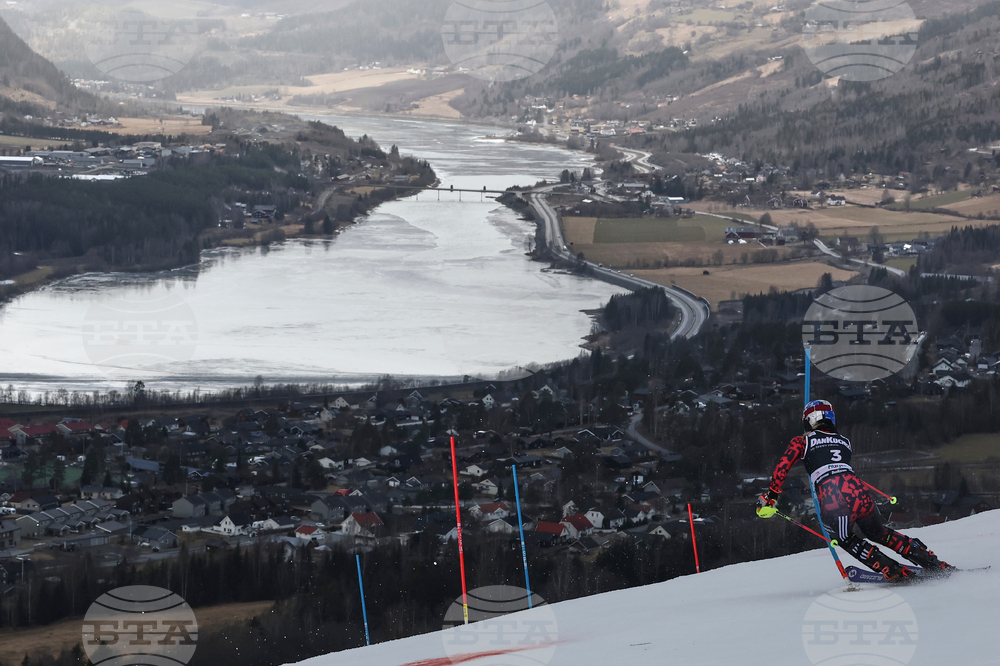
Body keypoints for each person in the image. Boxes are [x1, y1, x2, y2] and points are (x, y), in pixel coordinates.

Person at [756, 399, 954, 581]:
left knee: (844, 538)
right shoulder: (844, 441)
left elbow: (782, 467)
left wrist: (771, 496)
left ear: (808, 420)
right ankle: (931, 562)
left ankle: (891, 569)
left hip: (833, 495)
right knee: (879, 533)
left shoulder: (801, 441)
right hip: (858, 490)